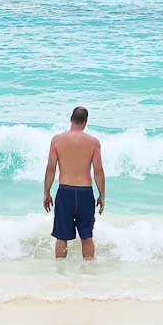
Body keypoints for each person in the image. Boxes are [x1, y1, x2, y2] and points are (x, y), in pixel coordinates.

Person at [43, 106, 105, 259]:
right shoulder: (93, 142)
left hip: (65, 193)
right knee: (86, 236)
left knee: (61, 237)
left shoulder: (57, 140)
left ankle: (60, 271)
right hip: (85, 192)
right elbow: (98, 171)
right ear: (85, 122)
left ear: (71, 119)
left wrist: (46, 192)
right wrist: (102, 196)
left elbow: (51, 168)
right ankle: (89, 270)